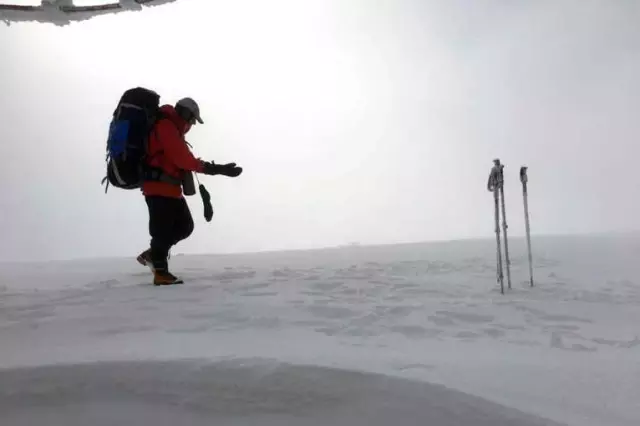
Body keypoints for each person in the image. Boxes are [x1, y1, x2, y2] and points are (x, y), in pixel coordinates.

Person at [136, 97, 242, 285]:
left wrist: (216, 169)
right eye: (192, 120)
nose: (192, 124)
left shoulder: (174, 131)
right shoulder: (166, 127)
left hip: (171, 188)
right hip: (158, 187)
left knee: (184, 226)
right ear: (185, 114)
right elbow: (183, 160)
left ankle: (154, 255)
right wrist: (216, 169)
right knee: (162, 230)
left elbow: (184, 158)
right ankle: (160, 272)